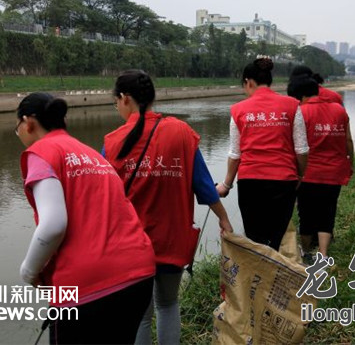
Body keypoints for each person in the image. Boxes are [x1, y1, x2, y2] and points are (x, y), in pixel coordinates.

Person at [103, 70, 233, 345]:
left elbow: (104, 198)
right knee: (168, 304)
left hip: (131, 245)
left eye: (115, 102)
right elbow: (204, 184)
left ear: (125, 98)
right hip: (172, 240)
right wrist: (223, 218)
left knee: (140, 315)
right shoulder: (181, 132)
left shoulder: (113, 143)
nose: (117, 107)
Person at [15, 92, 156, 345]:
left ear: (28, 123)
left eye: (17, 128)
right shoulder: (89, 153)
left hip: (88, 286)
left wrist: (29, 271)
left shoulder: (41, 152)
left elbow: (53, 226)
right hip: (138, 275)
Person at [217, 56, 309, 251]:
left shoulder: (238, 110)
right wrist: (299, 176)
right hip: (284, 181)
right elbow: (301, 150)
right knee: (275, 238)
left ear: (248, 82)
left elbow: (235, 154)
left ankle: (258, 269)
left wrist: (226, 185)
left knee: (254, 239)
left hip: (250, 183)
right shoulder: (292, 106)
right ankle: (272, 264)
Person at [287, 76, 354, 260]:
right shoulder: (339, 110)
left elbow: (296, 146)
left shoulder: (301, 112)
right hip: (334, 171)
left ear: (300, 95)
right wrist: (351, 163)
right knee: (328, 211)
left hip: (308, 174)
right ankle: (323, 253)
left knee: (306, 213)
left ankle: (306, 252)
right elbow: (348, 140)